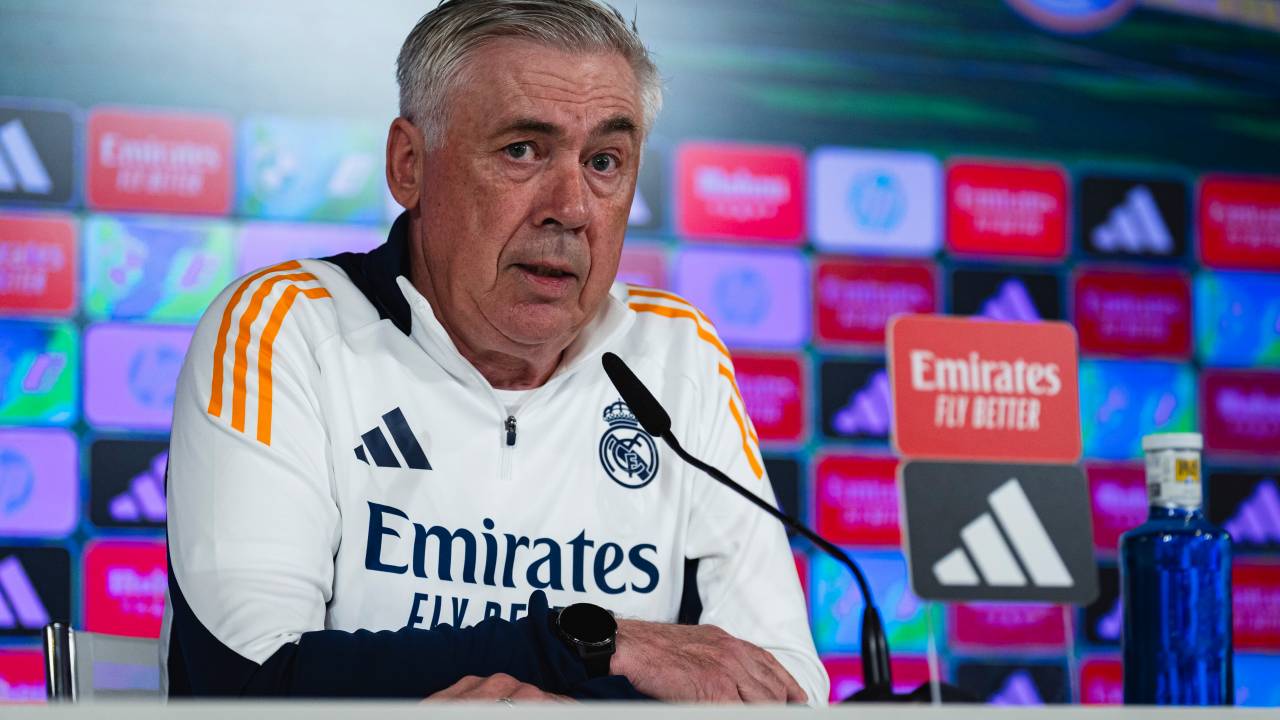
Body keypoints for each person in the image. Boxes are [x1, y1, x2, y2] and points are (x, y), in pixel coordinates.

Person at [161, 0, 827, 705]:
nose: (571, 207)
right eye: (522, 151)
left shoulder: (675, 354)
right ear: (409, 165)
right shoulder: (286, 327)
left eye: (603, 162)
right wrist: (592, 644)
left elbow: (782, 691)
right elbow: (252, 684)